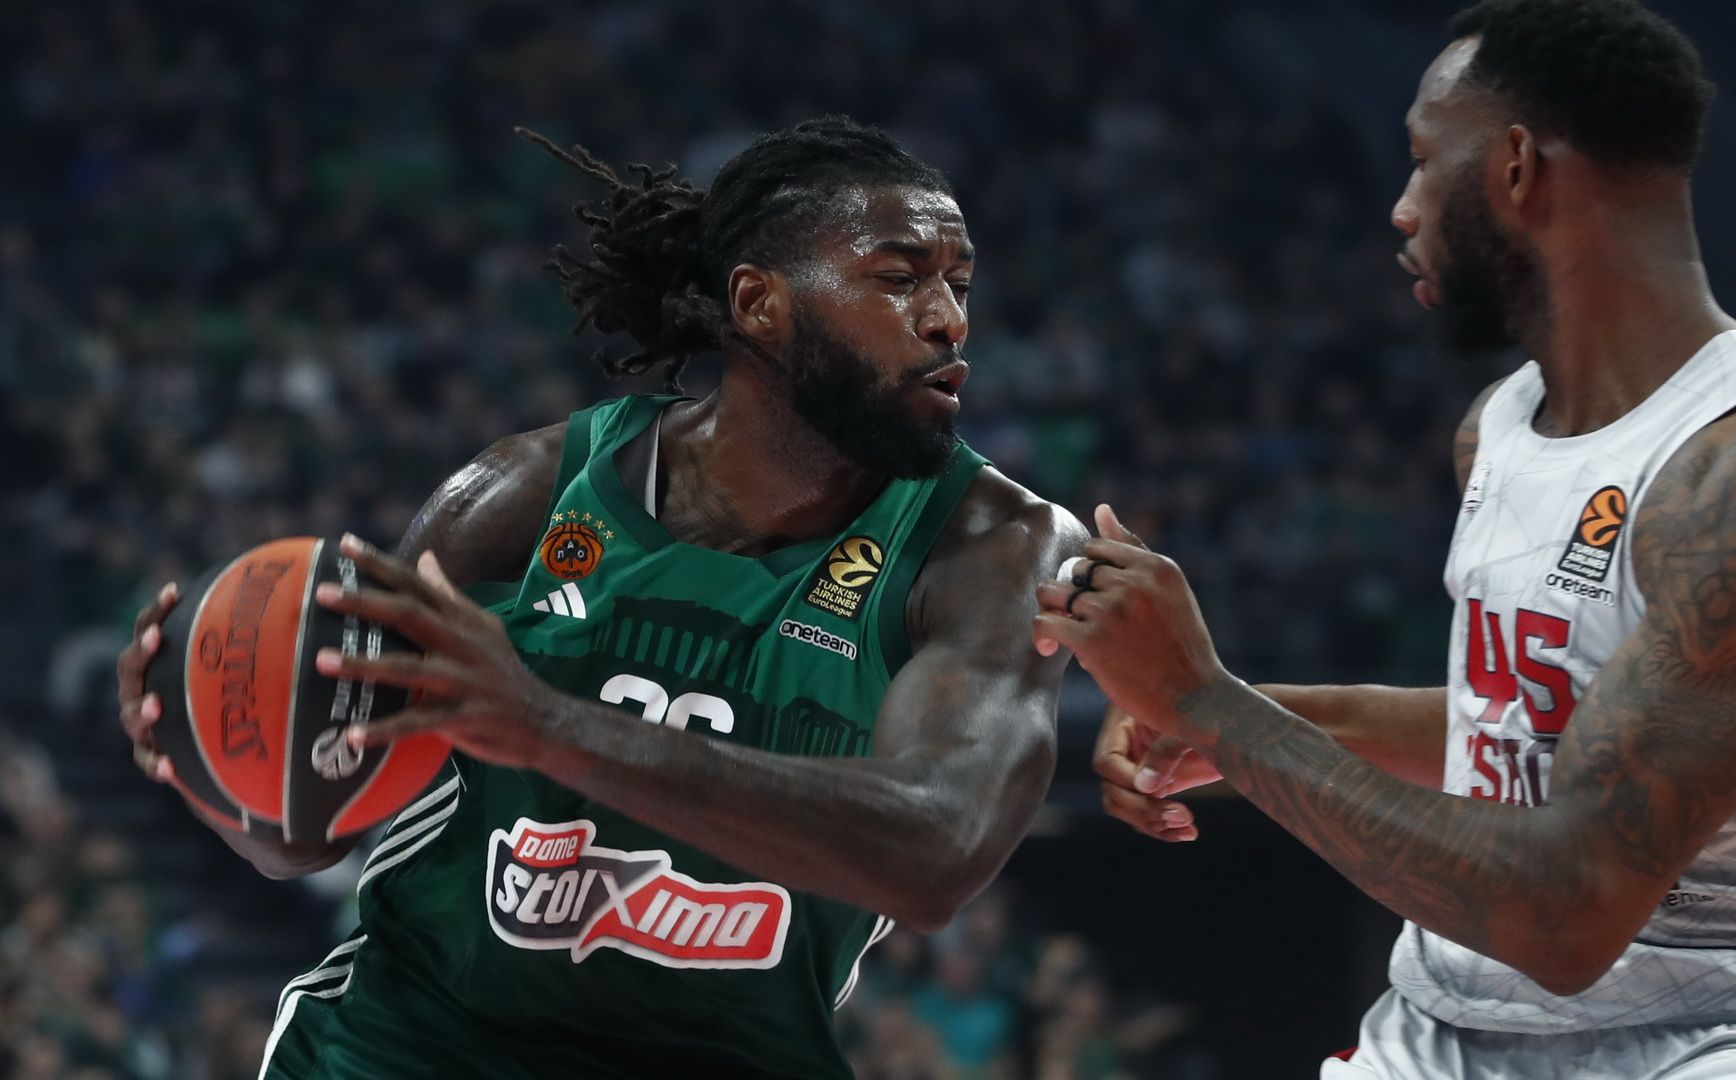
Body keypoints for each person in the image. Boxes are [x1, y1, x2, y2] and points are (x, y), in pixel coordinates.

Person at [1040, 1, 1736, 1076]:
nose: (1402, 208)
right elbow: (1535, 729)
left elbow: (1567, 915)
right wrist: (1238, 714)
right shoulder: (1499, 424)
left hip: (1727, 1035)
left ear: (1515, 165)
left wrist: (1207, 705)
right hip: (1449, 1027)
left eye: (1422, 160)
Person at [115, 116, 1085, 1078]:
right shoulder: (527, 494)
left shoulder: (996, 550)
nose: (950, 319)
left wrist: (547, 727)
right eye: (900, 278)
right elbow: (301, 835)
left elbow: (937, 849)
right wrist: (207, 748)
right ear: (759, 304)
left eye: (959, 284)